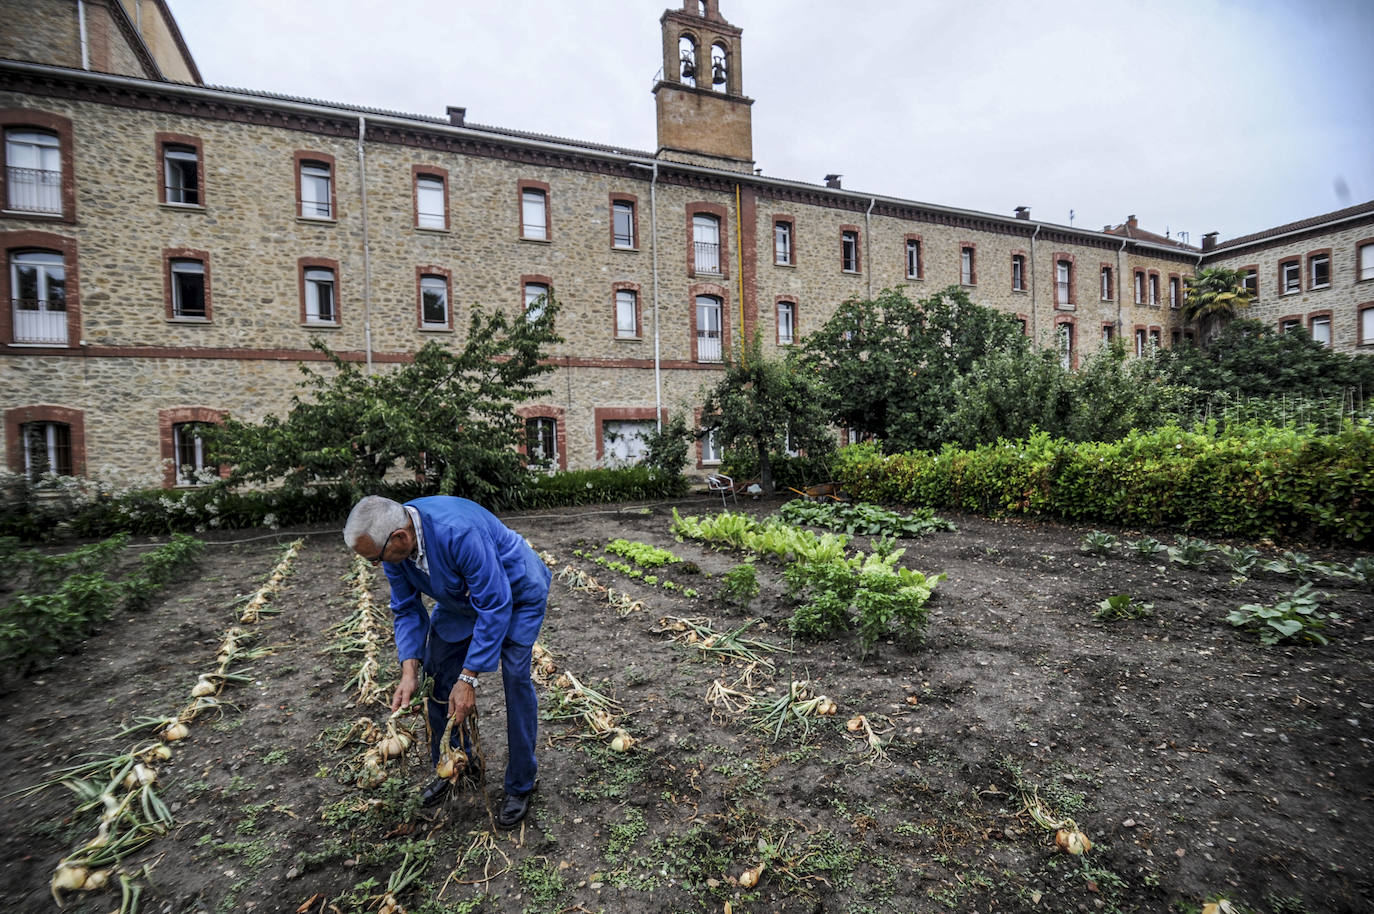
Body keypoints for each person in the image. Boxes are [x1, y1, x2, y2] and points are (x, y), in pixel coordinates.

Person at [342, 494, 551, 828]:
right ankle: (455, 759)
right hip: (462, 600)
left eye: (375, 559)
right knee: (435, 670)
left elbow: (495, 605)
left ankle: (521, 783)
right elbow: (407, 608)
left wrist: (468, 679)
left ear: (400, 538)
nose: (375, 566)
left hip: (515, 593)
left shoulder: (458, 532)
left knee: (515, 678)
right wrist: (408, 671)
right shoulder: (396, 549)